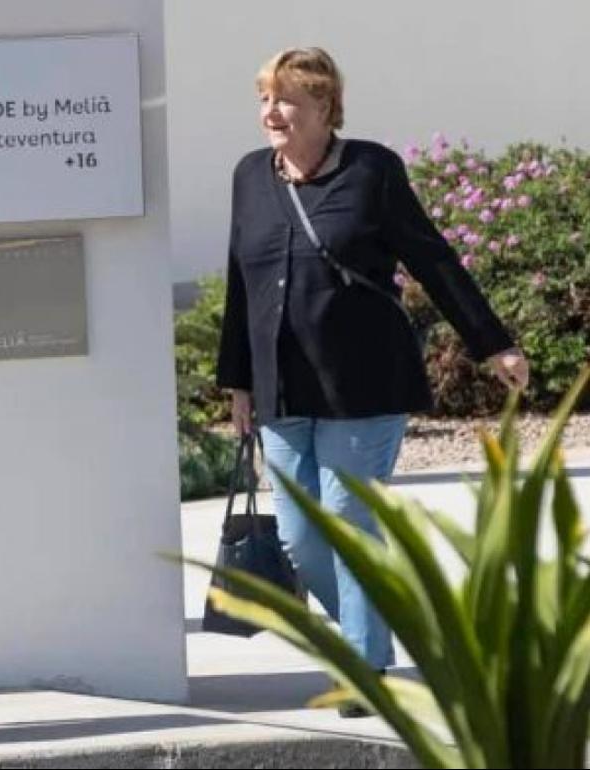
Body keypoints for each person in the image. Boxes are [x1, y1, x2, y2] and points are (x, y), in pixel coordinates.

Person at [215, 47, 528, 716]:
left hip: (365, 382)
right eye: (265, 98)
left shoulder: (371, 171)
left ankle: (364, 664)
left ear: (325, 107)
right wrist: (237, 382)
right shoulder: (250, 176)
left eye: (286, 99)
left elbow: (432, 258)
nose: (271, 111)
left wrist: (492, 342)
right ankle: (383, 626)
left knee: (351, 519)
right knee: (302, 536)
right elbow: (242, 283)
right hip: (281, 390)